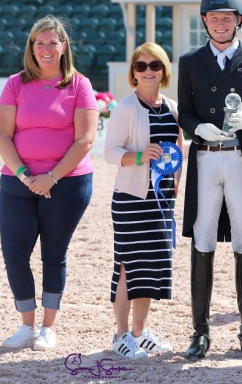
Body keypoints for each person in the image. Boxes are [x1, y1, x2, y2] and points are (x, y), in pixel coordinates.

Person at [177, 0, 242, 360]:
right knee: (202, 238)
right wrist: (196, 128)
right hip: (206, 157)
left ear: (238, 20)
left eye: (227, 17)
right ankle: (200, 332)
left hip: (239, 157)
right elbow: (185, 112)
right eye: (213, 17)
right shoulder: (189, 62)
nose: (220, 23)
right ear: (204, 21)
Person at [0, 15, 98, 350]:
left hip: (67, 183)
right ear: (31, 48)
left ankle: (48, 328)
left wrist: (51, 177)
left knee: (54, 254)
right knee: (14, 254)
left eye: (53, 42)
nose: (46, 49)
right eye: (39, 43)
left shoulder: (79, 85)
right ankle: (26, 324)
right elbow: (2, 136)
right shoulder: (15, 83)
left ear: (64, 46)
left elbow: (85, 139)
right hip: (18, 183)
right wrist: (27, 177)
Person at [104, 43, 184, 360]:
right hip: (130, 199)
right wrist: (139, 156)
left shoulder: (173, 108)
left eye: (154, 65)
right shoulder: (125, 107)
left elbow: (179, 153)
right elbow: (109, 152)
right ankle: (122, 335)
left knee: (150, 267)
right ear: (133, 72)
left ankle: (139, 333)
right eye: (141, 66)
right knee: (127, 267)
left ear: (163, 70)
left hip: (163, 202)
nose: (148, 71)